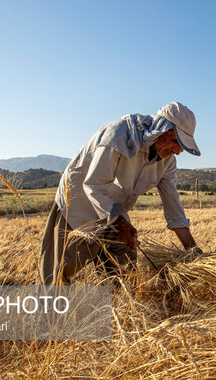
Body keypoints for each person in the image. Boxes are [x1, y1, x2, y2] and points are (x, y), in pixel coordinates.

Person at [38, 101, 202, 285]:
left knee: (125, 272)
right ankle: (52, 313)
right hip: (78, 203)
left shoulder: (167, 162)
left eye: (181, 146)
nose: (177, 151)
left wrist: (192, 250)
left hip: (115, 208)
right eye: (175, 141)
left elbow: (174, 207)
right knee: (59, 273)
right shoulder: (120, 134)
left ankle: (119, 308)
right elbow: (94, 184)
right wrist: (119, 223)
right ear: (160, 129)